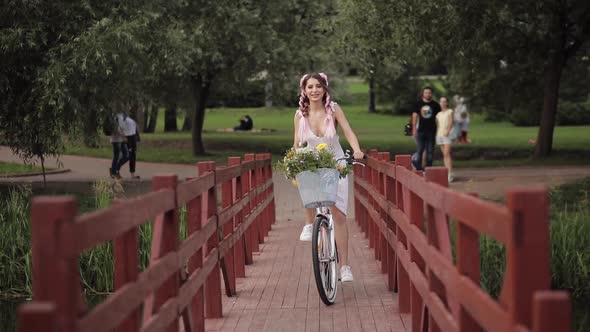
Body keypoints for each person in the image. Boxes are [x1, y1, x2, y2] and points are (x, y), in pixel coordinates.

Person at [293, 72, 364, 282]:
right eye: (310, 87)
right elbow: (297, 143)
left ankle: (344, 266)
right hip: (314, 165)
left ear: (324, 89)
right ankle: (309, 224)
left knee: (339, 214)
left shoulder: (333, 109)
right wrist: (293, 159)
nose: (314, 90)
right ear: (304, 91)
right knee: (303, 173)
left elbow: (349, 132)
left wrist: (357, 150)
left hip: (335, 164)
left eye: (318, 86)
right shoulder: (299, 115)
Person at [411, 87, 441, 170]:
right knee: (420, 150)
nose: (428, 94)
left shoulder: (435, 105)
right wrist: (414, 129)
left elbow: (440, 117)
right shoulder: (418, 104)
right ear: (423, 94)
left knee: (430, 151)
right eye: (426, 93)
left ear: (431, 94)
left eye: (429, 93)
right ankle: (418, 167)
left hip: (432, 131)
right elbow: (414, 116)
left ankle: (428, 169)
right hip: (421, 131)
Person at [436, 96, 455, 182]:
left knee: (447, 154)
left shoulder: (450, 111)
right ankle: (448, 173)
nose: (443, 103)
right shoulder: (438, 114)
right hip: (439, 135)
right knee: (444, 155)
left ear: (447, 103)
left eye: (444, 101)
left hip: (447, 135)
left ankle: (450, 173)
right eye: (441, 102)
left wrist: (448, 131)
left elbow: (451, 122)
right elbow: (438, 125)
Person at [109, 108, 129, 179]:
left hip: (121, 139)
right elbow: (117, 128)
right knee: (117, 156)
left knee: (126, 156)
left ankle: (115, 169)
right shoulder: (116, 116)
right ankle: (115, 172)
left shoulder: (123, 115)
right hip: (116, 140)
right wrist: (124, 136)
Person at [124, 115, 140, 179]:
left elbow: (135, 130)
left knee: (133, 156)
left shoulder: (132, 120)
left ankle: (132, 174)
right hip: (128, 138)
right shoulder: (124, 119)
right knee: (127, 156)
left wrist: (137, 138)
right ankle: (115, 168)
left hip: (132, 138)